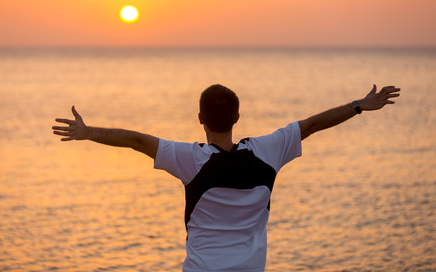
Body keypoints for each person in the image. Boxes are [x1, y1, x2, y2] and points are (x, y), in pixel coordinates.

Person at [52, 84, 400, 272]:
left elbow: (136, 140)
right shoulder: (269, 150)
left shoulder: (190, 159)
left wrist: (88, 131)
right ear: (237, 116)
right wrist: (359, 105)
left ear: (200, 117)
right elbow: (311, 124)